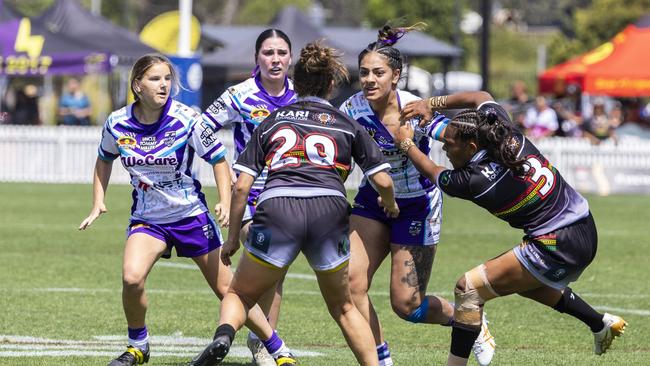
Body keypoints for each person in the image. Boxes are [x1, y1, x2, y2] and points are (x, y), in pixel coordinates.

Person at [190, 41, 398, 366]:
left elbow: (242, 185)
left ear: (295, 82)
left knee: (240, 293)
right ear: (331, 85)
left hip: (278, 207)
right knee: (343, 307)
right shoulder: (346, 122)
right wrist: (390, 204)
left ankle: (223, 336)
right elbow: (383, 180)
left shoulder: (273, 120)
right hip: (329, 210)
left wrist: (232, 239)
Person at [78, 54, 286, 366]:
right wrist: (98, 200)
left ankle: (278, 349)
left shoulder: (187, 119)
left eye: (166, 78)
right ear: (137, 85)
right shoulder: (117, 122)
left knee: (229, 289)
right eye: (155, 79)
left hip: (190, 216)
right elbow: (104, 159)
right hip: (148, 220)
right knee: (132, 278)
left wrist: (224, 201)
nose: (163, 85)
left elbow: (218, 159)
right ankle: (138, 346)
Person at [398, 91, 628, 365]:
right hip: (584, 225)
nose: (444, 149)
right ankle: (599, 323)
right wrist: (430, 105)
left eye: (448, 145)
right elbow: (480, 96)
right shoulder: (503, 131)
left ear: (471, 148)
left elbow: (433, 170)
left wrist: (406, 144)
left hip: (555, 243)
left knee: (468, 288)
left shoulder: (473, 181)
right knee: (523, 284)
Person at [201, 28, 296, 366]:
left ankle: (262, 339)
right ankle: (265, 344)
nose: (275, 59)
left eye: (281, 53)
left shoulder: (300, 97)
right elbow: (202, 127)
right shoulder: (238, 95)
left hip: (289, 195)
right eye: (268, 53)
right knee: (266, 252)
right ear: (257, 57)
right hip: (252, 195)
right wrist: (224, 175)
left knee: (278, 269)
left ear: (290, 57)